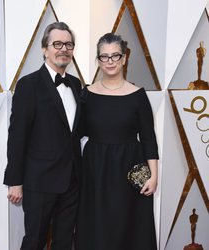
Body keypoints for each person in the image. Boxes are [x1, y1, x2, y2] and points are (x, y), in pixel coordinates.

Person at [75, 33, 159, 250]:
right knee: (97, 225)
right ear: (98, 61)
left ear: (124, 59)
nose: (110, 61)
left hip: (130, 168)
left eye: (115, 56)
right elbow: (75, 134)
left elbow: (148, 137)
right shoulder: (86, 94)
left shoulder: (138, 95)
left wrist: (154, 176)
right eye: (104, 57)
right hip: (95, 169)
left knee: (130, 226)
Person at [3, 22, 82, 250]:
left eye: (68, 44)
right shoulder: (28, 85)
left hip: (72, 181)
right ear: (44, 49)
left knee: (64, 242)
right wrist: (15, 181)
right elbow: (17, 135)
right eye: (57, 43)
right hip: (39, 181)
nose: (63, 49)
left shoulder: (76, 84)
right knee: (34, 241)